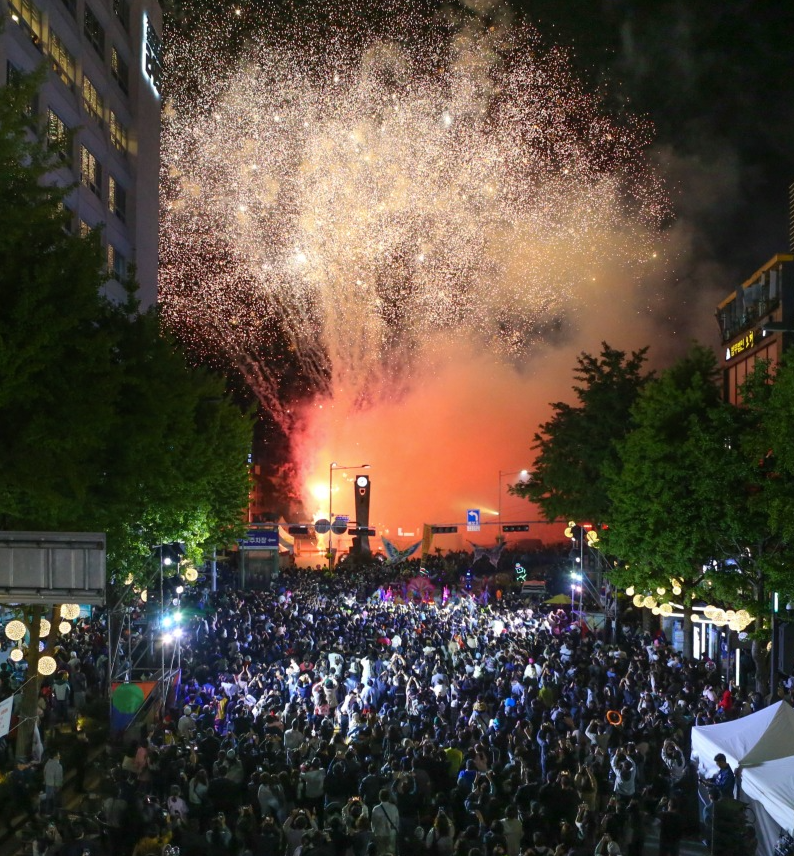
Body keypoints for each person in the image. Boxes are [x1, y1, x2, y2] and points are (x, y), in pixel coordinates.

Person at [370, 789, 400, 856]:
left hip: (379, 833)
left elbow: (373, 823)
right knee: (391, 853)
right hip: (391, 833)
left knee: (381, 852)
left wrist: (373, 832)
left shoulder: (376, 809)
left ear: (379, 797)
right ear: (388, 797)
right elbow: (397, 821)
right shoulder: (394, 808)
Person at [43, 750, 63, 816]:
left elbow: (44, 772)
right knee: (57, 802)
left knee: (49, 800)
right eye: (58, 755)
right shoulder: (58, 766)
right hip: (55, 786)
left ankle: (48, 814)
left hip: (48, 785)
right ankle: (57, 815)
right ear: (55, 757)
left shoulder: (47, 763)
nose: (59, 756)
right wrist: (58, 787)